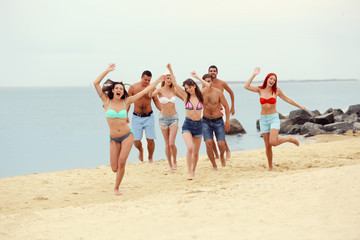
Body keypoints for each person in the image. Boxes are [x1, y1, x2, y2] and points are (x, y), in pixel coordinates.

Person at [93, 63, 165, 195]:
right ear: (113, 91)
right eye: (117, 88)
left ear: (122, 91)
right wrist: (107, 71)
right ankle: (118, 183)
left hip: (127, 136)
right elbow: (96, 83)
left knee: (121, 163)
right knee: (114, 168)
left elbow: (143, 92)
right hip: (114, 139)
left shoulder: (127, 101)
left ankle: (116, 188)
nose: (120, 90)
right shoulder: (106, 101)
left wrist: (157, 81)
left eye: (121, 88)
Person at [244, 67, 306, 171]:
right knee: (268, 146)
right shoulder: (260, 89)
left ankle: (289, 138)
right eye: (270, 78)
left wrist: (300, 106)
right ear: (267, 79)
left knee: (273, 142)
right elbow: (246, 86)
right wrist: (254, 74)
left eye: (274, 80)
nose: (272, 81)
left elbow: (287, 99)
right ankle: (270, 167)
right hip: (263, 120)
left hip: (273, 118)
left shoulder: (277, 91)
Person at [166, 63, 210, 180]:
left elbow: (208, 86)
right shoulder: (186, 96)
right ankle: (189, 171)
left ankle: (193, 170)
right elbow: (175, 83)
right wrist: (170, 69)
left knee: (196, 152)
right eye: (186, 88)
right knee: (190, 147)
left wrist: (197, 77)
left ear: (194, 86)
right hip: (188, 125)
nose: (188, 89)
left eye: (190, 87)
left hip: (199, 125)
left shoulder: (201, 96)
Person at [192, 72, 230, 169]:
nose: (206, 83)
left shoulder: (218, 92)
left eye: (208, 81)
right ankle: (214, 165)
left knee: (221, 145)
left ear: (212, 82)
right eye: (204, 81)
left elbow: (226, 106)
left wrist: (227, 121)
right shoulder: (200, 94)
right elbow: (195, 107)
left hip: (218, 121)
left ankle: (221, 155)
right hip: (205, 121)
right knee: (208, 144)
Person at [151, 72, 183, 170]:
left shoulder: (174, 90)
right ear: (164, 79)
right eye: (167, 78)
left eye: (170, 78)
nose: (169, 80)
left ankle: (175, 161)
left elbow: (185, 99)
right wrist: (157, 81)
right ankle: (169, 164)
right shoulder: (159, 90)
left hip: (174, 117)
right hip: (163, 119)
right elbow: (150, 94)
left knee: (172, 143)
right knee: (167, 143)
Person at [128, 70, 162, 163]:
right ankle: (141, 150)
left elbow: (156, 101)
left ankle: (150, 158)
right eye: (145, 80)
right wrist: (125, 115)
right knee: (136, 140)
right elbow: (128, 103)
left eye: (149, 80)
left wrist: (163, 110)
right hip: (136, 117)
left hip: (149, 116)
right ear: (141, 77)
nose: (147, 82)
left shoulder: (152, 88)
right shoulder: (133, 87)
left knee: (150, 139)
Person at [208, 65, 234, 159]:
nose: (212, 72)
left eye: (214, 71)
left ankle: (227, 150)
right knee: (210, 134)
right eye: (211, 71)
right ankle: (216, 155)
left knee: (219, 132)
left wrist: (232, 107)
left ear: (217, 72)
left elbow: (231, 92)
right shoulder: (205, 83)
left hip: (220, 110)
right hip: (208, 111)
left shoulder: (222, 83)